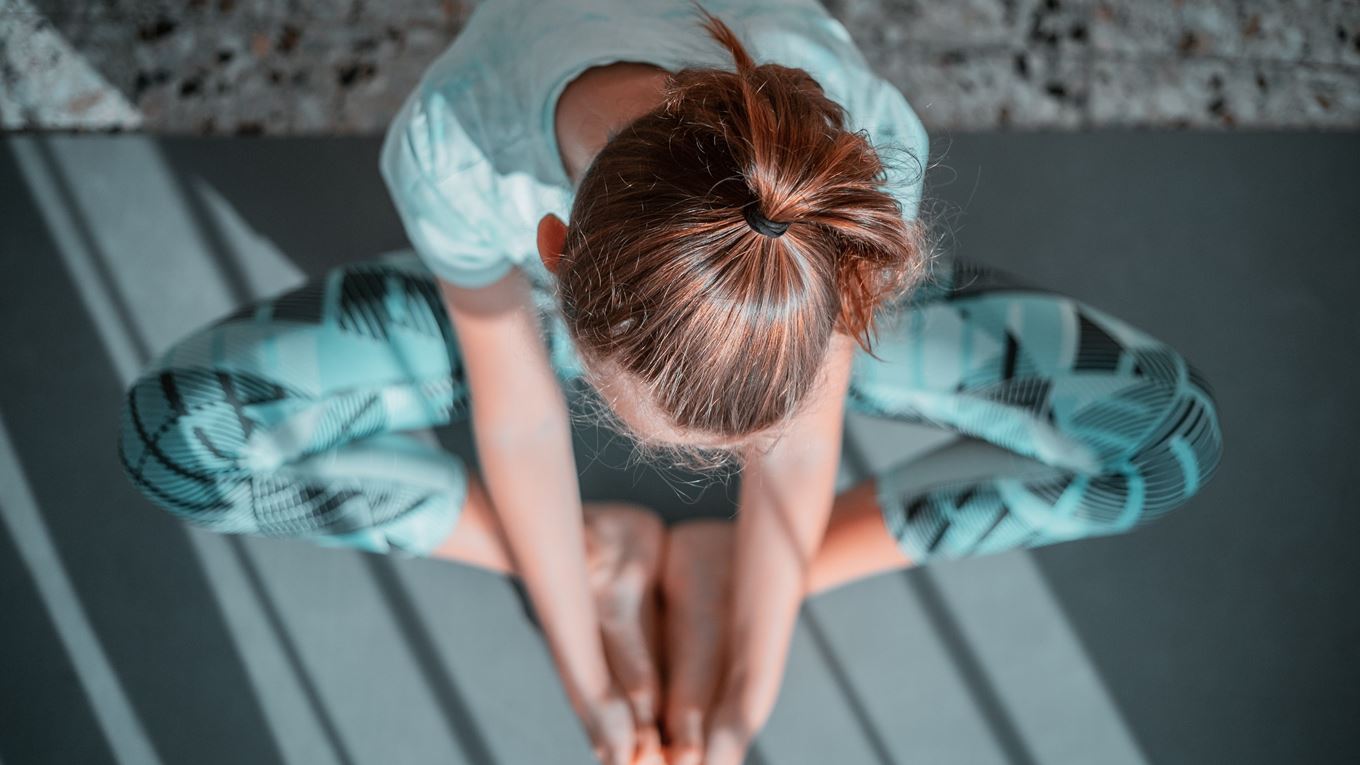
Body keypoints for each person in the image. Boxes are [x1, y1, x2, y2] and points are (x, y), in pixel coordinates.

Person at [117, 1, 1223, 763]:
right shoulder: (455, 143)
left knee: (1164, 434)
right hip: (547, 308)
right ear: (551, 248)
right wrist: (590, 685)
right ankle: (593, 552)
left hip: (780, 296)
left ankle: (735, 566)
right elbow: (522, 419)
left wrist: (747, 688)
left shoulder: (845, 159)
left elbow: (806, 433)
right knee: (178, 441)